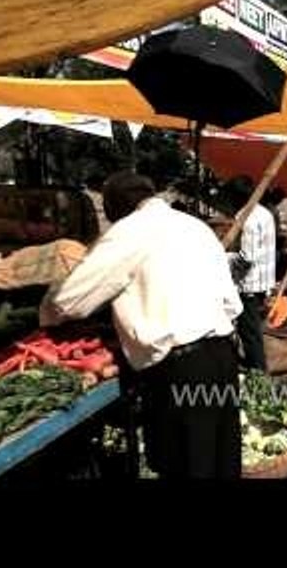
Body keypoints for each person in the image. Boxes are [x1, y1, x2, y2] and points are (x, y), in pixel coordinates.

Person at [40, 171, 242, 479]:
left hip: (181, 371)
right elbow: (230, 302)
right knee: (219, 460)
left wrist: (44, 315)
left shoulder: (129, 231)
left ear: (114, 207)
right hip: (222, 357)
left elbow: (69, 300)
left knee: (185, 465)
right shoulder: (196, 227)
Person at [224, 175, 276, 372]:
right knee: (253, 329)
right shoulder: (264, 213)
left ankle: (258, 372)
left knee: (250, 332)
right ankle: (256, 366)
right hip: (262, 281)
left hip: (250, 285)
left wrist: (224, 258)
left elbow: (247, 257)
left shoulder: (247, 218)